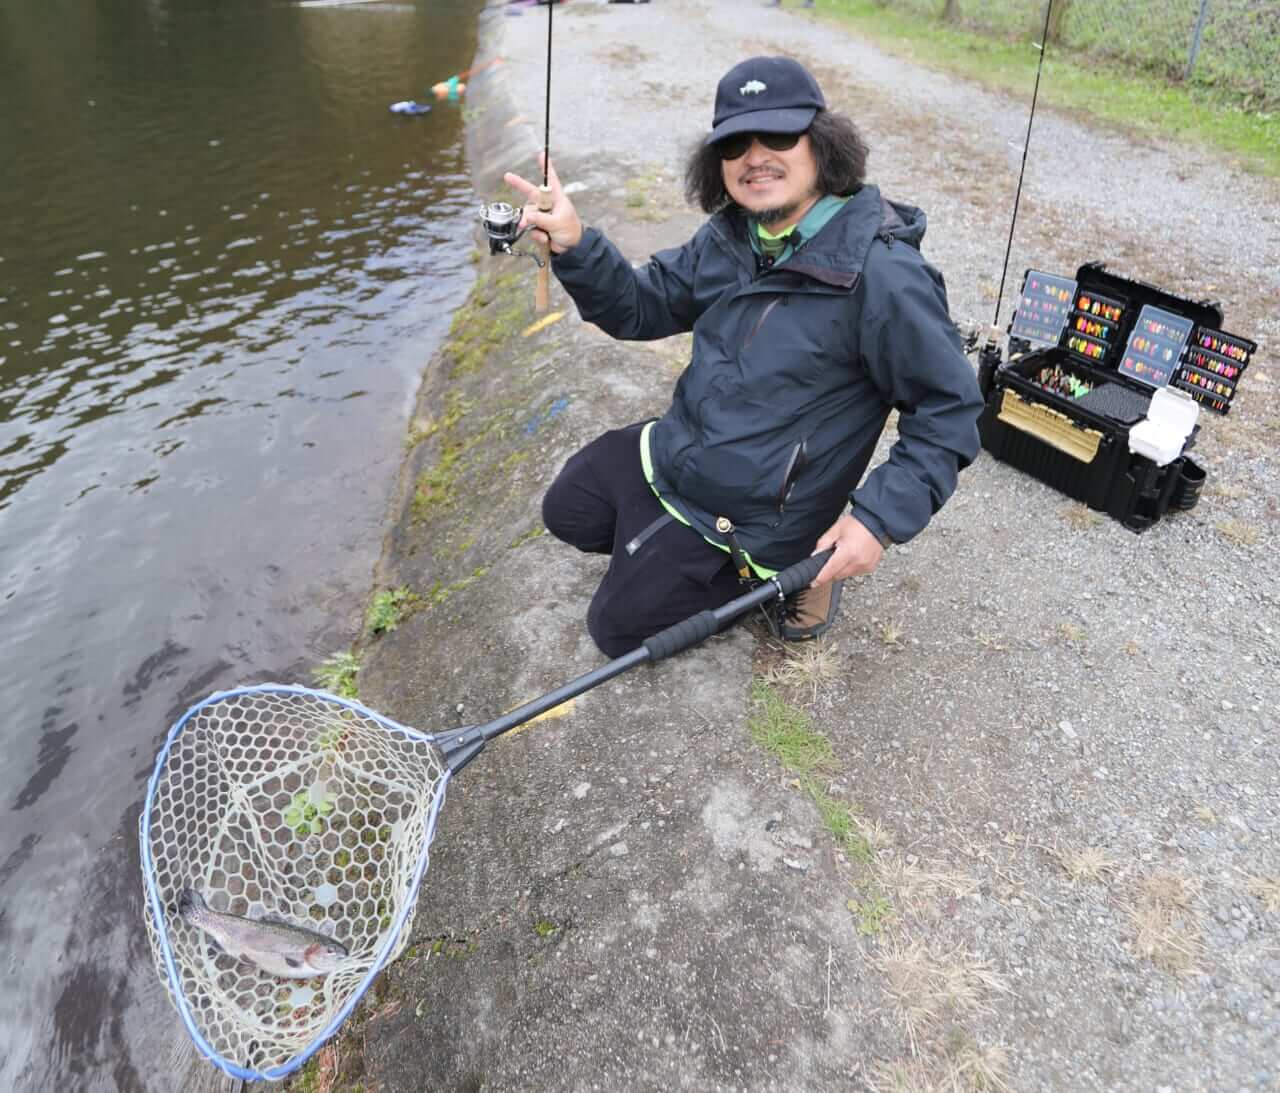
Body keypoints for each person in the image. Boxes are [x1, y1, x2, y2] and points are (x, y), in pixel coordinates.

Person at [504, 55, 983, 657]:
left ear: (824, 145)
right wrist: (577, 246)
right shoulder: (731, 235)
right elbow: (640, 307)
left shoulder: (885, 276)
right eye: (734, 143)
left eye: (779, 135)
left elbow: (949, 411)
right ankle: (659, 549)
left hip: (756, 520)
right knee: (568, 510)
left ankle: (789, 582)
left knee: (615, 630)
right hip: (678, 455)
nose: (756, 156)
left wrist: (877, 521)